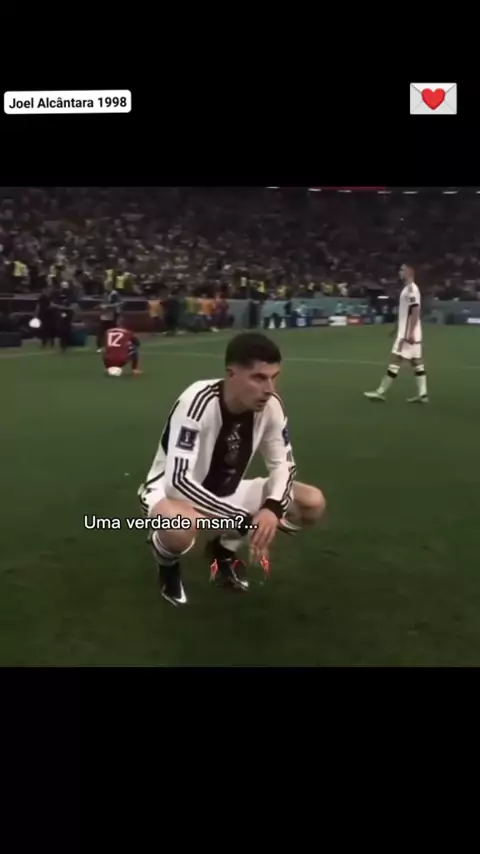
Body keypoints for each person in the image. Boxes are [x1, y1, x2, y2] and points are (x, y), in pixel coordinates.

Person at [137, 332, 326, 606]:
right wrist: (242, 520)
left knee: (312, 503)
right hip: (170, 494)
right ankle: (167, 562)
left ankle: (223, 548)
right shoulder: (197, 401)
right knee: (180, 529)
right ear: (231, 375)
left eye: (274, 377)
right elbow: (177, 482)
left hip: (227, 490)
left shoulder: (271, 406)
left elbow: (283, 464)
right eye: (259, 378)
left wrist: (272, 509)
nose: (269, 388)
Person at [364, 263, 428, 403]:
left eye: (402, 269)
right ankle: (423, 394)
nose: (400, 272)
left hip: (407, 333)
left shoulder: (411, 289)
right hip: (413, 331)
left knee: (396, 360)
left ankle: (380, 391)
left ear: (410, 272)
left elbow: (415, 310)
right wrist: (396, 328)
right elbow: (406, 312)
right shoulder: (409, 288)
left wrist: (410, 333)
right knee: (416, 362)